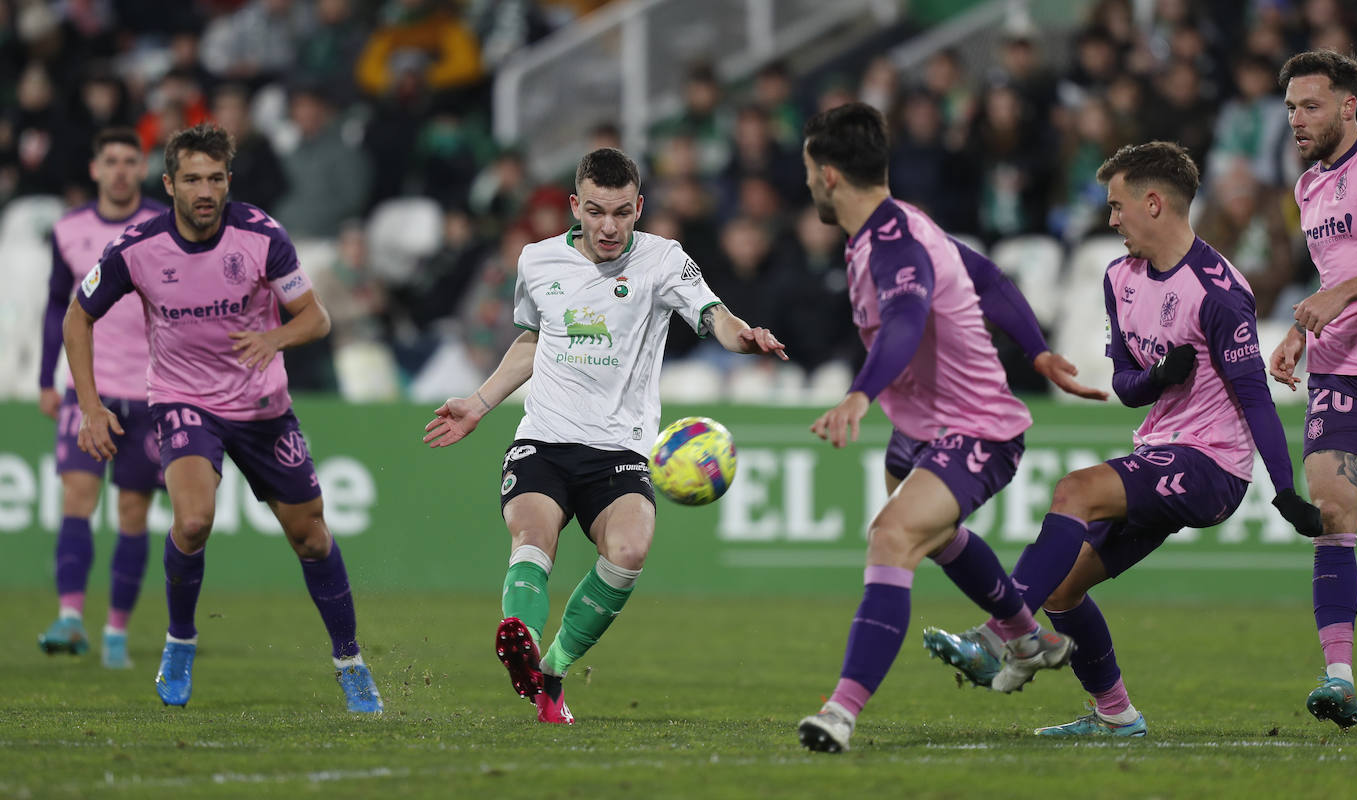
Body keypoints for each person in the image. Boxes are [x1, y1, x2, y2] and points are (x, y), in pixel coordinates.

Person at [927, 141, 1323, 738]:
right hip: (1158, 450)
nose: (1110, 221)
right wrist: (1158, 376)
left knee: (1075, 490)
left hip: (1213, 466)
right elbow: (1125, 386)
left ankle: (1000, 635)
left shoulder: (1218, 291)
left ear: (1154, 203)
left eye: (1117, 207)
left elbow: (1256, 398)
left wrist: (1285, 489)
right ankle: (1117, 715)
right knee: (1063, 587)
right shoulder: (1120, 278)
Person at [422, 147, 787, 724]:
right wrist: (480, 403)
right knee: (532, 535)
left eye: (621, 212)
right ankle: (517, 632)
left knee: (630, 549)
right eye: (596, 211)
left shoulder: (665, 260)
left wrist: (745, 338)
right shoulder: (537, 261)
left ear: (639, 207)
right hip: (543, 439)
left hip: (619, 451)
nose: (609, 226)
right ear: (575, 206)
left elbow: (713, 314)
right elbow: (531, 341)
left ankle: (551, 671)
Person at [791, 103, 1110, 755]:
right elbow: (987, 277)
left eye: (806, 172)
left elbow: (906, 319)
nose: (806, 184)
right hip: (921, 428)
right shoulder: (905, 224)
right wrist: (1039, 349)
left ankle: (840, 711)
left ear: (826, 176)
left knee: (891, 536)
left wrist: (859, 394)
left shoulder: (894, 242)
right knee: (935, 537)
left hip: (977, 427)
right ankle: (1029, 636)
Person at [63, 123, 382, 713]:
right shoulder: (138, 246)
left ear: (228, 180)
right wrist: (90, 406)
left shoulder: (260, 236)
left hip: (263, 408)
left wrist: (274, 338)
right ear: (169, 184)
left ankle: (350, 660)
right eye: (191, 179)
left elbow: (316, 319)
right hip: (184, 402)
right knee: (192, 521)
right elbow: (77, 317)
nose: (204, 190)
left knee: (311, 537)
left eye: (215, 178)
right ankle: (180, 642)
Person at [1269, 49, 1357, 730]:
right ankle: (1338, 678)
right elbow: (1334, 277)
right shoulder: (1308, 188)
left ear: (1347, 105)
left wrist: (1335, 294)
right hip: (1341, 373)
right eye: (1288, 109)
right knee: (1331, 511)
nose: (1296, 120)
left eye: (1309, 106)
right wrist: (1301, 331)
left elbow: (1344, 283)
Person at [36, 128, 166, 668]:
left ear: (141, 169)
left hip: (153, 390)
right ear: (95, 169)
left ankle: (116, 630)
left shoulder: (163, 226)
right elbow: (55, 307)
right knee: (77, 500)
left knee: (133, 513)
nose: (118, 171)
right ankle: (70, 618)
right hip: (88, 389)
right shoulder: (68, 229)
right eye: (109, 161)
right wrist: (48, 377)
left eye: (128, 161)